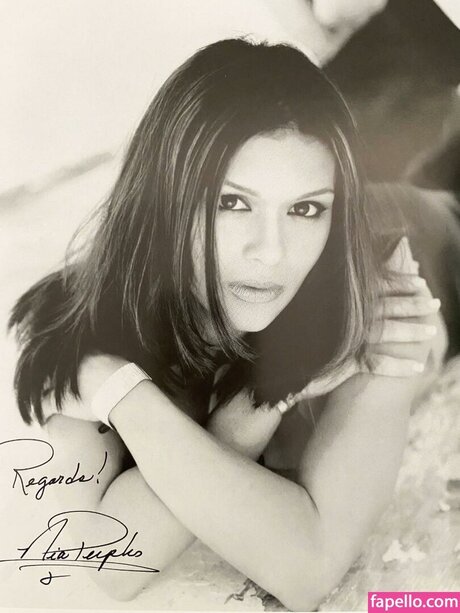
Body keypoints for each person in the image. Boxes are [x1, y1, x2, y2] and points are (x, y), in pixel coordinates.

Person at [7, 39, 460, 610]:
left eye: (306, 209)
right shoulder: (87, 317)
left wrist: (131, 396)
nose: (270, 251)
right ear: (165, 200)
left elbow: (310, 564)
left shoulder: (375, 297)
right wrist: (142, 392)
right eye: (232, 203)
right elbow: (110, 560)